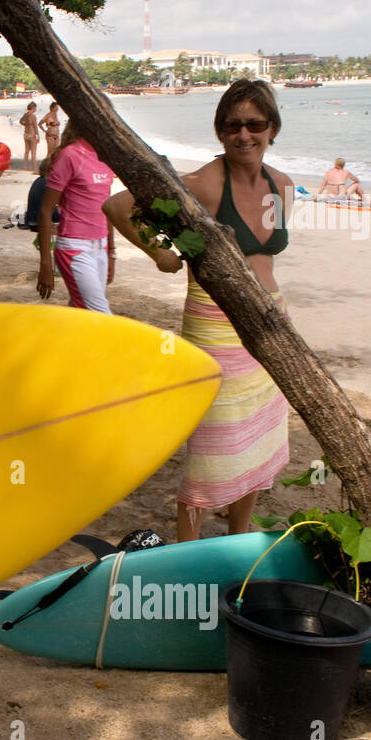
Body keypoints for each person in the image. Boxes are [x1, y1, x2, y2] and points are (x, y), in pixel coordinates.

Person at [103, 78, 291, 542]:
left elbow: (261, 257)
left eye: (254, 124)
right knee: (213, 446)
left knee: (259, 437)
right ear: (220, 131)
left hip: (271, 321)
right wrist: (164, 253)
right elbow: (120, 203)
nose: (243, 135)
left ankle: (241, 535)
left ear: (273, 128)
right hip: (216, 323)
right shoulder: (204, 184)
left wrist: (190, 244)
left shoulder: (282, 186)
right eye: (232, 125)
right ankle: (186, 551)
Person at [34, 119, 117, 313]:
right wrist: (45, 263)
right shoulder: (69, 155)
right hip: (75, 248)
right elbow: (45, 211)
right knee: (100, 315)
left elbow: (108, 207)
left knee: (81, 312)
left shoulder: (104, 155)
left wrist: (111, 252)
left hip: (101, 246)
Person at [18, 102, 40, 170]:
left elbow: (21, 121)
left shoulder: (25, 114)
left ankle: (26, 167)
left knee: (26, 151)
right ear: (33, 108)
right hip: (31, 134)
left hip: (26, 134)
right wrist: (38, 136)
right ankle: (35, 168)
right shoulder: (33, 116)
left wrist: (26, 125)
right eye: (35, 108)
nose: (36, 109)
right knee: (33, 152)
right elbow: (35, 127)